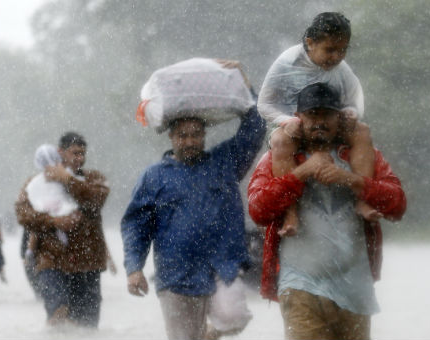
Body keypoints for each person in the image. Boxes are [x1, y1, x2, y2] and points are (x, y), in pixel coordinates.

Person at [248, 83, 407, 339]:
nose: (319, 122)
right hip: (299, 288)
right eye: (312, 115)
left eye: (327, 114)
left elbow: (397, 205)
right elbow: (257, 210)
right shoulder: (277, 157)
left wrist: (352, 180)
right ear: (298, 118)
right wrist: (302, 172)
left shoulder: (362, 155)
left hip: (355, 289)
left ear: (339, 117)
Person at [121, 93, 266, 339]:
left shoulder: (224, 163)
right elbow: (136, 226)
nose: (190, 141)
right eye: (183, 135)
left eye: (196, 135)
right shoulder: (154, 176)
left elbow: (254, 129)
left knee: (234, 316)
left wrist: (244, 86)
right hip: (176, 274)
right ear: (171, 137)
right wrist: (134, 268)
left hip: (222, 265)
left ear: (204, 135)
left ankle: (210, 335)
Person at [258, 12, 378, 237]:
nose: (337, 57)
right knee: (280, 140)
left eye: (343, 50)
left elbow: (356, 98)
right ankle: (291, 211)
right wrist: (287, 121)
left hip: (330, 124)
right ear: (310, 43)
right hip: (293, 125)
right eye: (330, 50)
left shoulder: (341, 68)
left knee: (362, 131)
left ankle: (363, 200)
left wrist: (351, 113)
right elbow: (264, 105)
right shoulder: (287, 62)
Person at [15, 132, 110, 328]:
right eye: (75, 153)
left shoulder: (93, 178)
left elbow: (95, 201)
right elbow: (22, 214)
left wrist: (68, 180)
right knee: (58, 315)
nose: (80, 159)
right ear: (60, 153)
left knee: (87, 327)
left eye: (83, 154)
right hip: (51, 261)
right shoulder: (35, 183)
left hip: (87, 262)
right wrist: (53, 221)